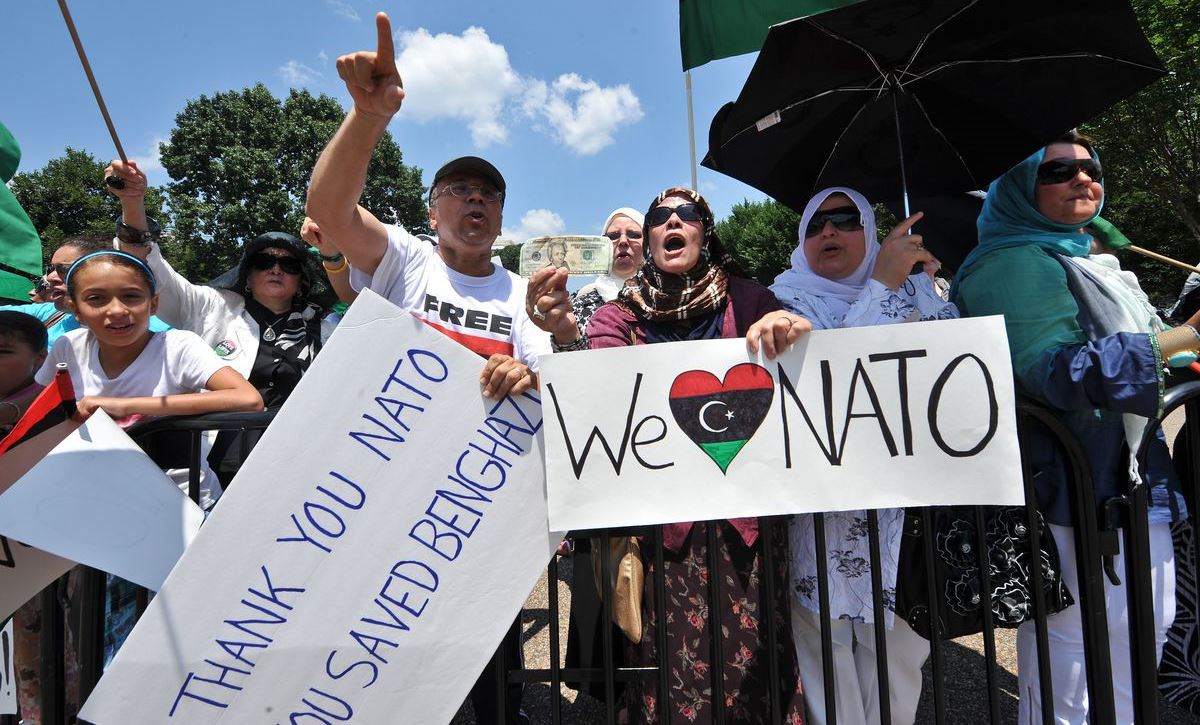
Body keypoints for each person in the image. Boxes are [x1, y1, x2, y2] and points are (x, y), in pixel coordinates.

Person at [305, 13, 549, 724]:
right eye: (459, 189)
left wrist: (526, 376)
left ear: (501, 220)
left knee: (490, 669)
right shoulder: (403, 260)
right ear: (431, 209)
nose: (476, 198)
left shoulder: (520, 293)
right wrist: (367, 117)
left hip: (478, 512)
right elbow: (328, 207)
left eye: (489, 193)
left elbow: (549, 379)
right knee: (385, 658)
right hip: (389, 496)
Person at [531, 186, 806, 723]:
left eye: (688, 215)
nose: (673, 223)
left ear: (705, 233)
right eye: (660, 217)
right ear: (651, 236)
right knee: (670, 669)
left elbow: (793, 355)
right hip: (662, 532)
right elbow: (600, 390)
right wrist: (565, 333)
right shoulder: (617, 317)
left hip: (743, 526)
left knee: (755, 668)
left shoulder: (749, 300)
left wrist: (788, 328)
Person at [953, 131, 1192, 723]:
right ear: (1018, 190)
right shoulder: (1007, 265)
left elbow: (1139, 347)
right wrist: (1185, 335)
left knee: (1142, 631)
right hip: (1069, 485)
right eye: (1057, 171)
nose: (1083, 179)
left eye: (1091, 167)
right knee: (1080, 651)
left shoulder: (1083, 260)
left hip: (1129, 474)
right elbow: (1052, 372)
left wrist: (1185, 355)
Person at [757, 187, 953, 725]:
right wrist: (883, 284)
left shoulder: (921, 291)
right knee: (826, 664)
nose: (829, 232)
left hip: (904, 519)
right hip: (820, 523)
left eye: (846, 220)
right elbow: (837, 385)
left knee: (900, 661)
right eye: (816, 223)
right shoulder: (780, 302)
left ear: (870, 230)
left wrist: (918, 289)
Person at [104, 160, 340, 410]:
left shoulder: (325, 326)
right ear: (246, 276)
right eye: (264, 261)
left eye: (289, 265)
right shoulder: (208, 307)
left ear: (302, 281)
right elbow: (147, 268)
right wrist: (132, 201)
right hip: (220, 444)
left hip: (298, 445)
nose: (275, 269)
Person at [0, 236, 171, 348]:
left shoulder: (163, 338)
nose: (51, 277)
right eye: (51, 268)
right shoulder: (49, 314)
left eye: (64, 269)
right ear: (76, 310)